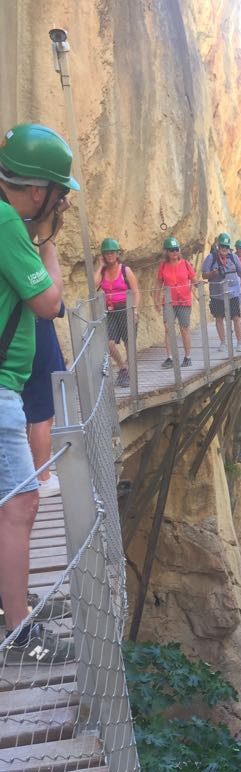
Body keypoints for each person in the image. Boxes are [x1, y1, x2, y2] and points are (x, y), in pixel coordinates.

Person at [0, 122, 78, 664]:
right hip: (1, 386)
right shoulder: (7, 220)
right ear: (36, 190)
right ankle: (18, 631)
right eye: (55, 193)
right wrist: (48, 239)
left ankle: (12, 606)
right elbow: (49, 302)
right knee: (20, 504)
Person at [21, 301, 66, 497]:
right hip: (36, 345)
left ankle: (21, 475)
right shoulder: (28, 271)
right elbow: (55, 307)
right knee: (42, 416)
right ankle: (43, 478)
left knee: (18, 412)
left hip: (11, 349)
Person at [94, 237, 140, 387]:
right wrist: (100, 267)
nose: (110, 256)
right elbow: (93, 286)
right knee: (109, 344)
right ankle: (123, 368)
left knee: (128, 343)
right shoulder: (103, 271)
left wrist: (134, 310)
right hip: (110, 311)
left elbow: (136, 292)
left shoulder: (125, 270)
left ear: (117, 253)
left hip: (125, 308)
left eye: (112, 252)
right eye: (106, 253)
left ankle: (131, 374)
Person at [154, 237, 197, 369]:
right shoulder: (163, 266)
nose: (174, 252)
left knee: (184, 329)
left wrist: (199, 290)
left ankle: (188, 357)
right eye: (171, 250)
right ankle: (169, 358)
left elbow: (194, 280)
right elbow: (158, 283)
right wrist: (156, 299)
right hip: (168, 301)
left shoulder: (185, 264)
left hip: (184, 301)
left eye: (176, 249)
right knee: (168, 328)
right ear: (167, 252)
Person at [202, 232, 241, 349]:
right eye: (222, 246)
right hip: (217, 294)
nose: (224, 249)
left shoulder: (234, 257)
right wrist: (213, 273)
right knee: (219, 317)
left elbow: (240, 271)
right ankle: (223, 342)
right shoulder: (211, 258)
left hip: (232, 293)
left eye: (226, 246)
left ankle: (240, 343)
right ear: (218, 246)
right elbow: (204, 275)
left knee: (236, 317)